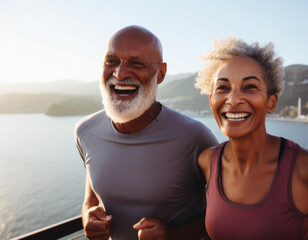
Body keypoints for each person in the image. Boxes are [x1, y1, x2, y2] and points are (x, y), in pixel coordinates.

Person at [195, 37, 308, 240]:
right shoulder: (207, 162)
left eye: (249, 87)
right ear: (212, 100)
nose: (234, 99)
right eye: (223, 88)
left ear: (271, 102)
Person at [74, 25, 218, 240]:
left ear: (161, 73)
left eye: (136, 63)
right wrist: (87, 216)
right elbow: (92, 192)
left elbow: (224, 212)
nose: (120, 73)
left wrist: (174, 235)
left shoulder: (195, 136)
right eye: (111, 61)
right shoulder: (86, 132)